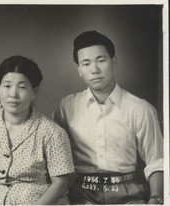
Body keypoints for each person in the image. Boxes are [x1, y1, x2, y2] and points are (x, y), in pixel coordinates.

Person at [53, 30, 164, 204]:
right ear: (79, 70)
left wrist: (156, 198)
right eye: (86, 64)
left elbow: (157, 161)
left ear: (113, 62)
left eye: (101, 60)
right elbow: (54, 159)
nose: (94, 70)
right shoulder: (66, 106)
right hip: (81, 194)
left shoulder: (141, 108)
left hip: (129, 193)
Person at [0, 55, 75, 205]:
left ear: (34, 92)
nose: (13, 94)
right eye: (7, 86)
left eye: (22, 87)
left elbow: (61, 183)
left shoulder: (52, 132)